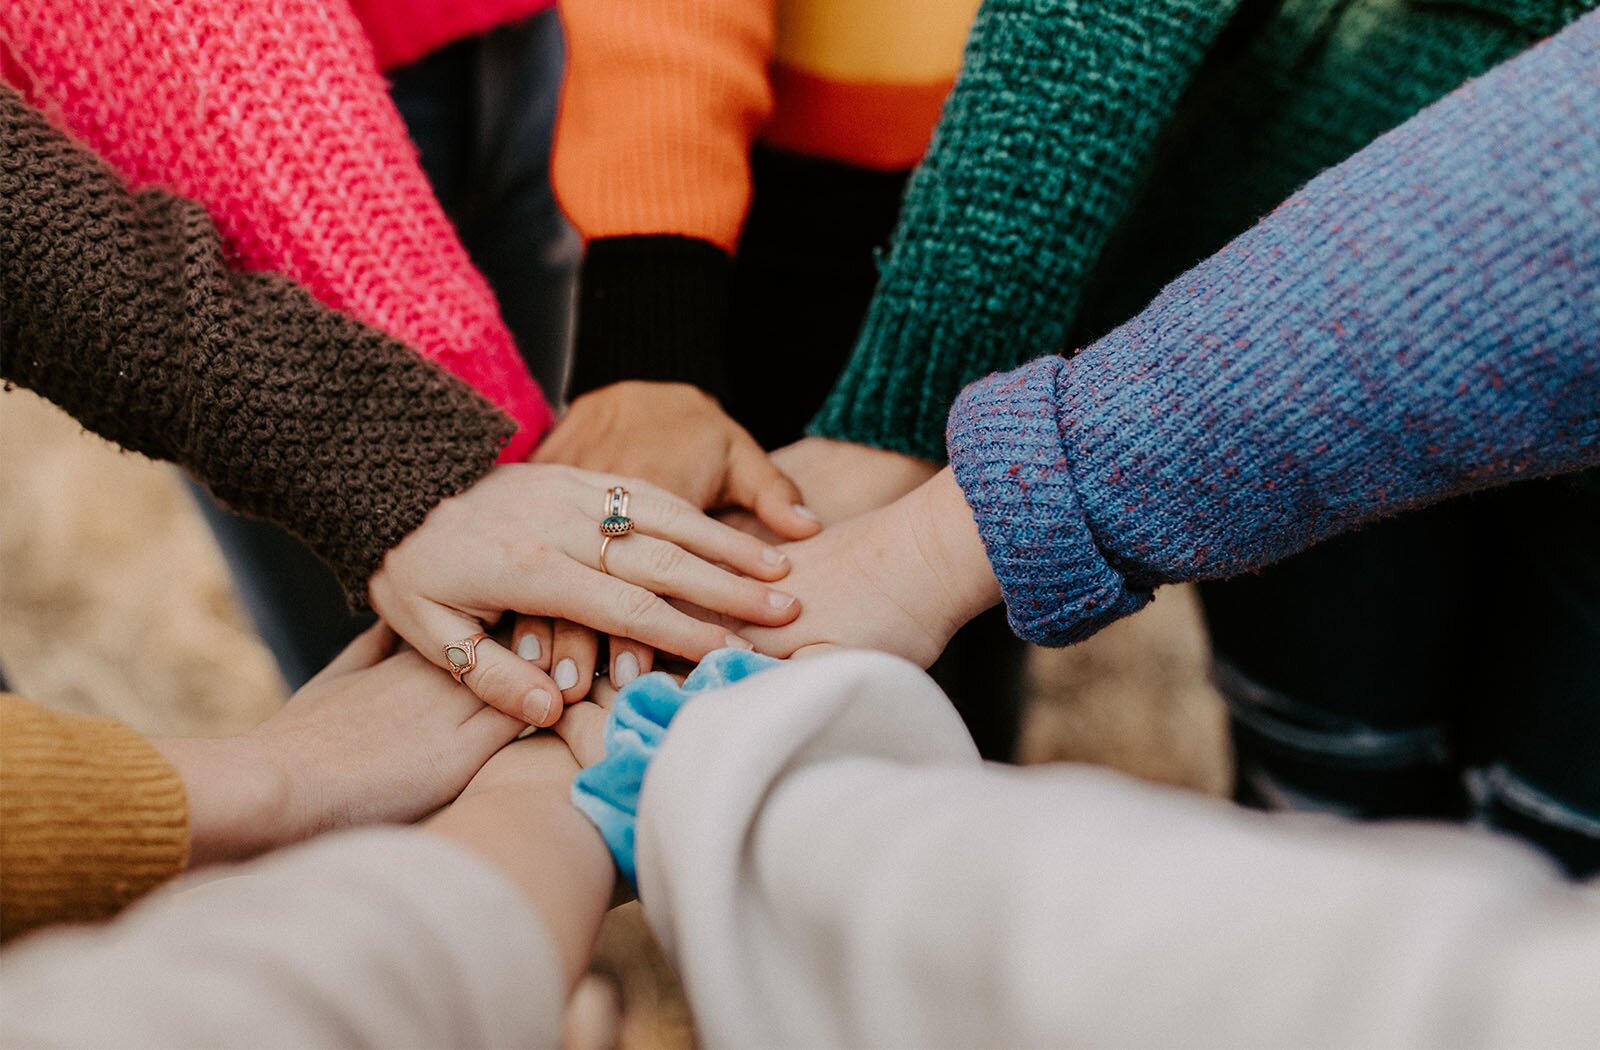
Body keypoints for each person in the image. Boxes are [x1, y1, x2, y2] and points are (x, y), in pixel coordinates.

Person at [732, 8, 1600, 874]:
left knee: (1560, 865)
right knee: (1325, 815)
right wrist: (908, 416)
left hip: (1270, 354)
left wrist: (954, 520)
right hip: (1287, 331)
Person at [0, 83, 798, 730]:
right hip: (236, 128)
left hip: (528, 50)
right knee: (420, 705)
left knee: (531, 571)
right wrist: (382, 457)